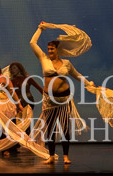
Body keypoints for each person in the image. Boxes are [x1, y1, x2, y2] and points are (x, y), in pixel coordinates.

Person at [30, 22, 94, 164]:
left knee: (65, 128)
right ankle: (51, 156)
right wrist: (40, 28)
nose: (49, 51)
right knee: (50, 128)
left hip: (64, 99)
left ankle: (66, 156)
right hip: (49, 100)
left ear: (57, 49)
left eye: (52, 49)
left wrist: (89, 84)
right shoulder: (44, 59)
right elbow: (32, 43)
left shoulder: (66, 63)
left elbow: (78, 76)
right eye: (48, 49)